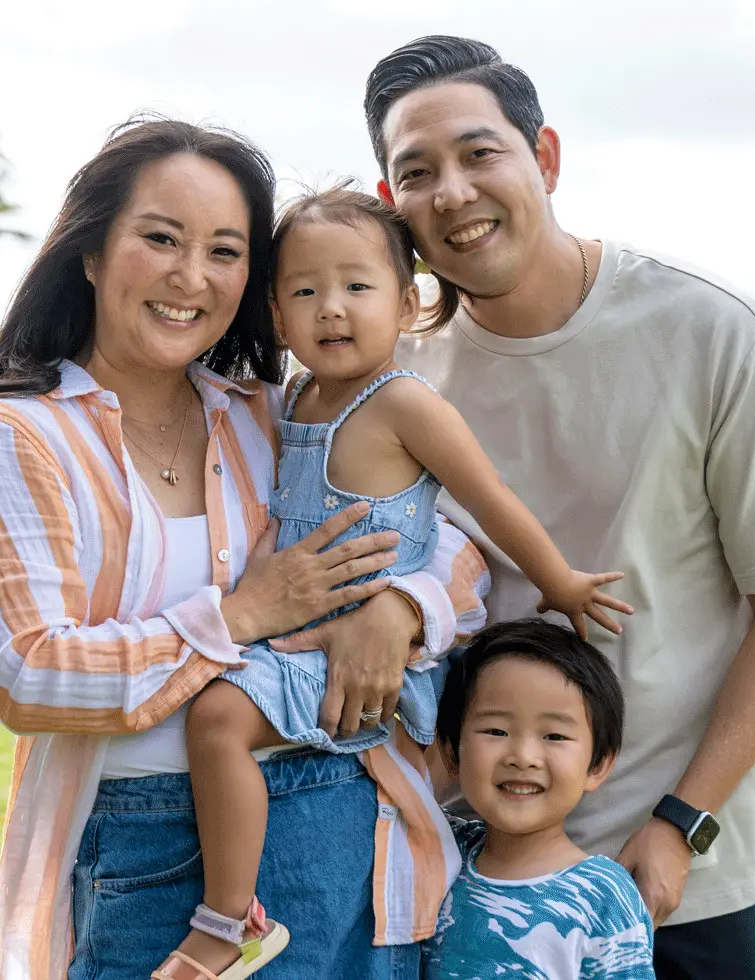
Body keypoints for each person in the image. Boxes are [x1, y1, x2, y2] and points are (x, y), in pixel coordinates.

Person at [0, 118, 490, 980]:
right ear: (91, 253)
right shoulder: (10, 444)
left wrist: (403, 608)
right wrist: (241, 613)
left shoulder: (266, 414)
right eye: (160, 239)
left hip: (352, 812)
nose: (191, 277)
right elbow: (29, 673)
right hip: (152, 849)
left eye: (225, 251)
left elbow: (446, 538)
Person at [362, 35, 755, 979]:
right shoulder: (394, 376)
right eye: (416, 172)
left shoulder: (712, 331)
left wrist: (683, 826)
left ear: (543, 157)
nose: (453, 193)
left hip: (683, 879)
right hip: (467, 885)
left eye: (480, 154)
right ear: (393, 204)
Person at [157, 184, 634, 979]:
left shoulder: (404, 402)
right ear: (276, 315)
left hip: (387, 667)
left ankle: (226, 920)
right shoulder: (295, 398)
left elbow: (491, 500)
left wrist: (561, 580)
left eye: (357, 287)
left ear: (408, 303)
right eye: (305, 292)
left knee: (216, 721)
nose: (331, 309)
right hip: (301, 640)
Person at [424, 618, 654, 979]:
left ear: (598, 764)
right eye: (496, 730)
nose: (523, 756)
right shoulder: (437, 852)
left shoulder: (602, 896)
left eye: (555, 736)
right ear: (451, 753)